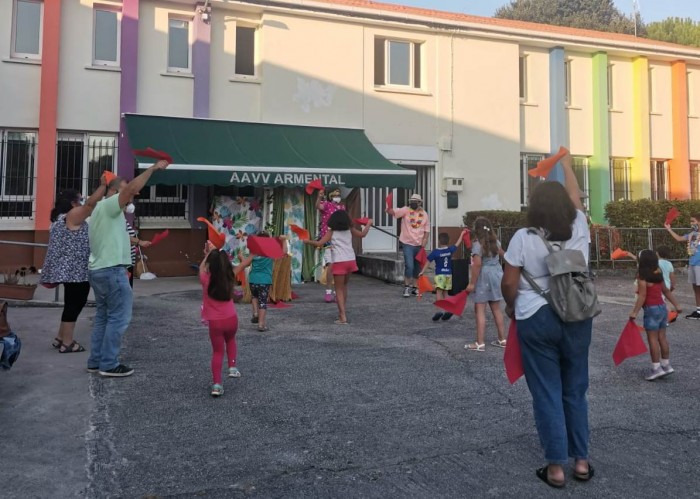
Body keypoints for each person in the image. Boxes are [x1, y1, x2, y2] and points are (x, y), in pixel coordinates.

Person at [501, 152, 594, 488]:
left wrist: (512, 307)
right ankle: (581, 462)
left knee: (547, 391)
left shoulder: (523, 237)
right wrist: (567, 166)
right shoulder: (580, 226)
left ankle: (555, 468)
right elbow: (574, 197)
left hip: (536, 317)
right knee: (575, 389)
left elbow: (509, 282)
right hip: (578, 315)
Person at [86, 160, 169, 377]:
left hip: (99, 270)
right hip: (111, 271)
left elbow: (119, 236)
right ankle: (109, 364)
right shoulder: (110, 205)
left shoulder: (100, 212)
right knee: (119, 318)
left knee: (104, 317)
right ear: (114, 191)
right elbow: (132, 187)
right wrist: (151, 169)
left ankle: (96, 361)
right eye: (126, 193)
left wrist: (138, 242)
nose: (131, 197)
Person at [41, 182, 106, 353]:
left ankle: (61, 337)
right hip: (76, 271)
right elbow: (91, 205)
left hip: (69, 269)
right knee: (75, 304)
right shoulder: (72, 216)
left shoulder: (59, 218)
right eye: (80, 200)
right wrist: (103, 186)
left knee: (71, 303)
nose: (83, 202)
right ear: (73, 203)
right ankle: (68, 342)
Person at [304, 211, 372, 324]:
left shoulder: (332, 232)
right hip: (350, 260)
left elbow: (319, 243)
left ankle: (342, 316)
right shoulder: (350, 230)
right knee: (344, 287)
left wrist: (307, 241)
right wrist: (368, 224)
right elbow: (362, 235)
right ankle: (342, 312)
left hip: (339, 261)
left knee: (338, 289)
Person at [200, 242, 246, 397]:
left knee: (218, 352)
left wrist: (207, 253)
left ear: (210, 265)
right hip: (231, 319)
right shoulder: (230, 276)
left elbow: (202, 267)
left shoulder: (205, 279)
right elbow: (244, 263)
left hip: (215, 323)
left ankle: (217, 385)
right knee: (231, 340)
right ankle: (232, 367)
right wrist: (253, 254)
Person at [629, 249, 681, 380]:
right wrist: (677, 305)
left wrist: (634, 312)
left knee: (652, 339)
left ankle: (656, 368)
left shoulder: (642, 276)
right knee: (662, 337)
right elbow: (667, 291)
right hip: (662, 308)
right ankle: (666, 365)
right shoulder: (658, 274)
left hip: (651, 310)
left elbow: (642, 296)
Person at [465, 217, 507, 351]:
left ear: (476, 230)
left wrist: (472, 283)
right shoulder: (496, 242)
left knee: (480, 309)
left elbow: (477, 264)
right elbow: (504, 255)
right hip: (497, 275)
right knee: (496, 308)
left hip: (484, 277)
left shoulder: (477, 245)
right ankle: (502, 339)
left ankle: (480, 343)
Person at [238, 233, 288, 332]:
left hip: (253, 280)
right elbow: (283, 253)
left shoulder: (254, 252)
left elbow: (246, 264)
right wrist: (284, 241)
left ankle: (255, 313)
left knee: (254, 297)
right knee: (263, 302)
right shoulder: (270, 252)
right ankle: (261, 324)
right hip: (265, 281)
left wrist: (241, 257)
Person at [387, 193, 430, 297]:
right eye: (412, 202)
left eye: (415, 202)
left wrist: (424, 242)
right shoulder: (406, 210)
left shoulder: (424, 214)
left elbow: (427, 230)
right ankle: (406, 287)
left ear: (420, 203)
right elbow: (394, 212)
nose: (413, 203)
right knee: (409, 266)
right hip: (407, 244)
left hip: (419, 245)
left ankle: (415, 288)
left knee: (417, 268)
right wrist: (388, 208)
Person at [419, 230, 467, 321]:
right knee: (446, 293)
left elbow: (428, 261)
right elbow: (457, 243)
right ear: (448, 241)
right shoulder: (449, 250)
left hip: (440, 275)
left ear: (439, 241)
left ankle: (439, 310)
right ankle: (448, 310)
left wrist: (422, 271)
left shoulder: (436, 252)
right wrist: (462, 234)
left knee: (439, 292)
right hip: (448, 275)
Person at [664, 214, 700, 319]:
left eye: (693, 221)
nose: (691, 224)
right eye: (691, 222)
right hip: (693, 263)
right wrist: (669, 229)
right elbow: (679, 239)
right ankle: (698, 311)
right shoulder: (692, 234)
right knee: (696, 288)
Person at [316, 187, 346, 303]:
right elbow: (318, 206)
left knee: (339, 266)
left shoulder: (342, 207)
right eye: (335, 195)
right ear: (331, 196)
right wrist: (319, 197)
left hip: (340, 238)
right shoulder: (327, 205)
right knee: (331, 265)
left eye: (339, 195)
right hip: (328, 237)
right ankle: (328, 291)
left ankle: (336, 291)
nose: (337, 197)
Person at [126, 216, 151, 288]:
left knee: (128, 289)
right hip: (122, 264)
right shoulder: (115, 219)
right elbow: (122, 236)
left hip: (129, 262)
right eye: (127, 204)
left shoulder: (122, 219)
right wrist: (140, 242)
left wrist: (137, 242)